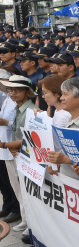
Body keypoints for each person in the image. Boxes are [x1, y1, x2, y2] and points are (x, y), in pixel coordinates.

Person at [0, 76, 37, 235]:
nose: (12, 93)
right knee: (19, 190)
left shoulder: (31, 111)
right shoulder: (18, 108)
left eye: (17, 90)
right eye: (10, 89)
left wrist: (5, 145)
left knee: (26, 192)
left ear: (28, 92)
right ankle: (25, 220)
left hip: (26, 157)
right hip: (17, 155)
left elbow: (30, 138)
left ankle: (31, 223)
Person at [48, 78, 79, 182]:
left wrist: (64, 159)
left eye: (65, 94)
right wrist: (58, 163)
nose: (61, 98)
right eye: (62, 94)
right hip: (68, 182)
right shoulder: (70, 119)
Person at [0, 69, 20, 225]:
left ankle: (16, 209)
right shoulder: (7, 98)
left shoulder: (16, 101)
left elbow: (19, 126)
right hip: (4, 143)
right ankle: (9, 205)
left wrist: (5, 122)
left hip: (12, 145)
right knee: (5, 181)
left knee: (14, 182)